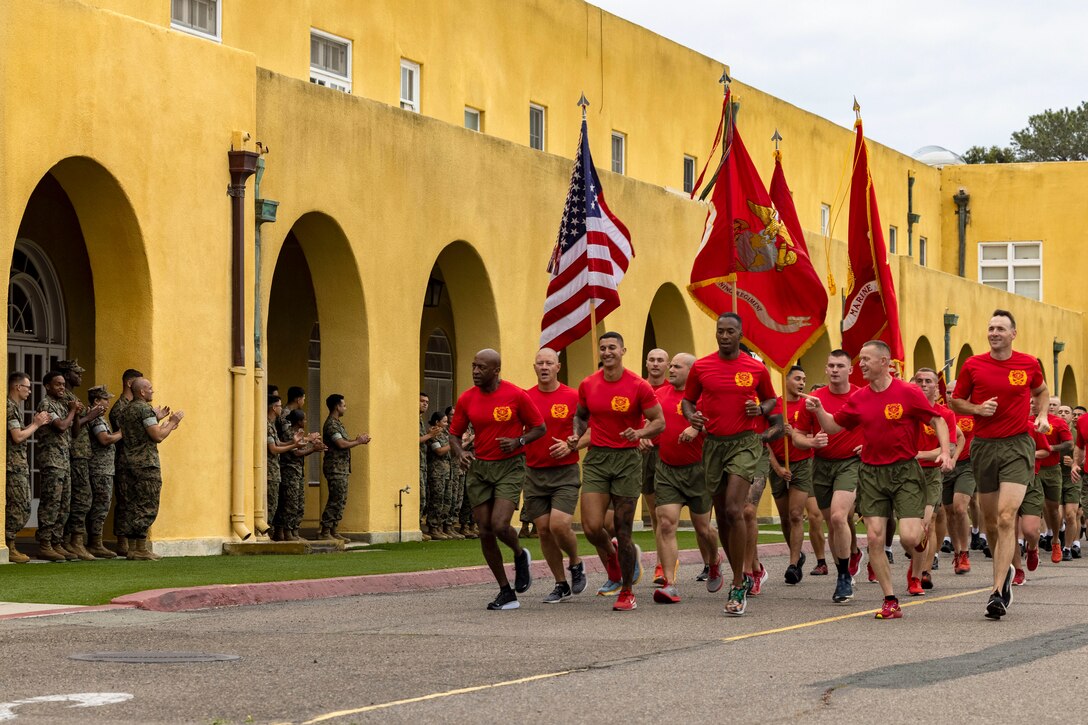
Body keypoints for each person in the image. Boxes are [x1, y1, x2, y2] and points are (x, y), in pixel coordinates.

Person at [806, 340, 952, 619]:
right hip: (871, 473)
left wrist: (945, 452)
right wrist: (818, 410)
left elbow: (938, 421)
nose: (861, 364)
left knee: (910, 537)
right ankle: (889, 599)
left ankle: (920, 545)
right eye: (860, 359)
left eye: (866, 359)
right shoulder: (859, 398)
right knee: (874, 537)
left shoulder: (908, 392)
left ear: (884, 362)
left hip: (905, 471)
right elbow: (834, 426)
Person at [950, 310, 1049, 620]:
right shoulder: (973, 365)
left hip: (1018, 445)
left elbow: (1041, 390)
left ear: (1013, 334)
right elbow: (955, 401)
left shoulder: (1028, 363)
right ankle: (1005, 570)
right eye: (990, 327)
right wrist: (978, 408)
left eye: (1000, 328)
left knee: (1007, 516)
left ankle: (997, 590)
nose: (994, 332)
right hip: (984, 447)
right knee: (992, 522)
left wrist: (1042, 414)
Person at [682, 313, 781, 616]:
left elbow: (772, 402)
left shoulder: (755, 368)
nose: (724, 336)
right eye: (720, 332)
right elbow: (688, 400)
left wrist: (759, 407)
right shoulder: (701, 367)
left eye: (730, 332)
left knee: (734, 509)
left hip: (745, 443)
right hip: (713, 445)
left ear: (740, 335)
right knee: (723, 518)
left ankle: (739, 583)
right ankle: (738, 568)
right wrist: (692, 417)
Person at [571, 332, 664, 612]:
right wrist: (576, 435)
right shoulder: (589, 384)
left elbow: (658, 422)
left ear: (623, 350)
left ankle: (627, 590)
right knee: (590, 527)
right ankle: (612, 558)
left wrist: (639, 432)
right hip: (598, 458)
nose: (607, 351)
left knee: (623, 530)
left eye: (612, 347)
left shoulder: (639, 385)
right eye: (603, 348)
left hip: (627, 459)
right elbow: (580, 415)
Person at [449, 349, 545, 610]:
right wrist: (460, 452)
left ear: (496, 370)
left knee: (500, 524)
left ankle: (518, 554)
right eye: (473, 366)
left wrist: (518, 441)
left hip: (510, 466)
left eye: (481, 367)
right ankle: (506, 591)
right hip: (480, 468)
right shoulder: (467, 398)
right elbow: (454, 433)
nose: (475, 371)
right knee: (485, 531)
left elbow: (539, 428)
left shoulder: (516, 395)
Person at [652, 353, 721, 604]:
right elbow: (651, 421)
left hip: (699, 471)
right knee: (667, 523)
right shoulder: (659, 395)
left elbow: (718, 424)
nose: (670, 369)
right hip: (667, 469)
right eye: (670, 365)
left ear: (691, 372)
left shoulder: (704, 397)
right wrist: (644, 435)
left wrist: (697, 427)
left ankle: (714, 561)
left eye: (676, 366)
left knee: (703, 529)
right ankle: (670, 584)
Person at [523, 348, 585, 603]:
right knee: (544, 531)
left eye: (549, 363)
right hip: (534, 472)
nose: (544, 367)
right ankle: (561, 583)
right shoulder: (524, 397)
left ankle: (575, 561)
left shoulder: (573, 396)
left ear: (559, 366)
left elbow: (589, 431)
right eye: (540, 363)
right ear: (534, 367)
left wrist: (573, 444)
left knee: (558, 524)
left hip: (565, 472)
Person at [809, 350, 866, 601]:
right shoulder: (814, 398)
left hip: (850, 463)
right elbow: (798, 435)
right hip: (821, 464)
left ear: (850, 370)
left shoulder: (861, 395)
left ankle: (843, 577)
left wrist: (869, 444)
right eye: (831, 365)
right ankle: (845, 562)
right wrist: (810, 440)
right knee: (832, 523)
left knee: (838, 515)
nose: (835, 370)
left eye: (840, 366)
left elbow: (878, 424)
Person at [767, 365, 824, 585]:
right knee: (784, 518)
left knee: (795, 514)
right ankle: (797, 553)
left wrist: (797, 433)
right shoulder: (774, 407)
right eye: (797, 378)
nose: (801, 383)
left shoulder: (808, 405)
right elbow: (765, 442)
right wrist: (778, 468)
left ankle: (792, 565)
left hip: (801, 463)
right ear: (786, 379)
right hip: (779, 465)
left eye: (804, 379)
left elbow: (816, 433)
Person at [119, 378, 184, 560]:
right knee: (147, 504)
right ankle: (139, 548)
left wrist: (159, 421)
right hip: (145, 465)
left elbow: (140, 430)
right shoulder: (144, 409)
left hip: (128, 463)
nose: (152, 391)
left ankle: (133, 548)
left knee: (132, 504)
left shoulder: (126, 410)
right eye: (149, 388)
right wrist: (172, 422)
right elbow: (157, 436)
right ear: (142, 392)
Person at [911, 368, 962, 592]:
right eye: (919, 380)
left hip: (931, 473)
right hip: (906, 471)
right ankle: (916, 561)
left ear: (936, 387)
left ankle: (924, 571)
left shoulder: (945, 414)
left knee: (928, 522)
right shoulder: (905, 410)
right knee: (910, 527)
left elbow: (950, 446)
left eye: (928, 381)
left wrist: (921, 455)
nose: (923, 384)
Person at [34, 370, 81, 561]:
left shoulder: (62, 406)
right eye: (57, 384)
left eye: (63, 384)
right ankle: (45, 544)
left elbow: (75, 432)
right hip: (51, 461)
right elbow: (60, 426)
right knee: (51, 502)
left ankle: (57, 542)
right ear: (47, 386)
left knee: (64, 504)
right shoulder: (46, 404)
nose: (62, 387)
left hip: (63, 460)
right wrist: (71, 411)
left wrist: (76, 413)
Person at [58, 360, 101, 560]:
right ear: (67, 375)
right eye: (77, 373)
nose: (80, 377)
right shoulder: (65, 398)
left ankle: (72, 540)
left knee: (78, 498)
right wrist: (90, 416)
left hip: (82, 454)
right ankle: (73, 540)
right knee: (82, 497)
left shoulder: (72, 396)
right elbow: (73, 429)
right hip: (75, 453)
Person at [5, 372, 50, 563]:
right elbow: (17, 437)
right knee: (21, 506)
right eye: (27, 387)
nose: (30, 391)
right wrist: (36, 424)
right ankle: (9, 545)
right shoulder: (10, 407)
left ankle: (9, 544)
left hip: (17, 464)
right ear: (17, 387)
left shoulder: (14, 407)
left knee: (21, 505)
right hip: (13, 466)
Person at [320, 393, 371, 541]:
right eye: (344, 405)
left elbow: (344, 441)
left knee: (341, 499)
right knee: (335, 499)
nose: (345, 408)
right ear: (337, 406)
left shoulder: (338, 424)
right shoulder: (331, 424)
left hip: (341, 468)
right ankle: (325, 531)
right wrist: (359, 441)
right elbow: (341, 444)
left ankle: (334, 529)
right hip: (335, 468)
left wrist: (356, 440)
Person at [641, 347, 669, 584]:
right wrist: (639, 436)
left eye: (660, 360)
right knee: (653, 513)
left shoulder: (672, 390)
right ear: (646, 363)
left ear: (667, 365)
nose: (656, 363)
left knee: (662, 512)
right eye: (652, 359)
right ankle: (662, 559)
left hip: (667, 453)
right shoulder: (639, 388)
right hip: (643, 454)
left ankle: (662, 564)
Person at [942, 385, 977, 575]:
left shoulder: (973, 413)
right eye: (948, 392)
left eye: (955, 392)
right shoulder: (942, 414)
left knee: (960, 507)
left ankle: (965, 551)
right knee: (948, 512)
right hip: (945, 467)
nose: (951, 396)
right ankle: (956, 551)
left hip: (967, 466)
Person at [86, 385, 123, 558]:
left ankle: (95, 542)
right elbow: (105, 439)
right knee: (100, 506)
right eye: (105, 399)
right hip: (99, 469)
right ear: (96, 401)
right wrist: (122, 433)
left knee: (102, 505)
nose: (108, 403)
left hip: (104, 468)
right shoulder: (95, 419)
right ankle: (95, 543)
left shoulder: (101, 418)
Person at [109, 368, 143, 556]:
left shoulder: (136, 406)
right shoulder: (121, 407)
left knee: (136, 501)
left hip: (137, 460)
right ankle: (122, 541)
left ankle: (133, 541)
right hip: (124, 459)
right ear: (130, 383)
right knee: (125, 501)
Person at [280, 408, 326, 541]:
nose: (306, 421)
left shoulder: (299, 434)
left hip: (298, 472)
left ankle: (295, 531)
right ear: (299, 421)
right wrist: (313, 449)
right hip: (290, 472)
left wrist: (314, 444)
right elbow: (296, 453)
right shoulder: (290, 434)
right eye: (304, 419)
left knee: (299, 503)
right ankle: (288, 532)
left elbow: (302, 448)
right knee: (291, 503)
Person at [1038, 397, 1073, 562]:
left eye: (1054, 405)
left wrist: (1052, 448)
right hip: (1032, 469)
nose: (1050, 407)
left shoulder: (1058, 423)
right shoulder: (1029, 420)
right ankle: (1027, 544)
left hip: (1052, 470)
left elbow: (1069, 444)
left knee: (1052, 509)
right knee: (1031, 508)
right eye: (1048, 404)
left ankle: (1055, 540)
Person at [267, 394, 307, 541]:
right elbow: (273, 449)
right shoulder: (267, 425)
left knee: (278, 503)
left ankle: (278, 534)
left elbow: (279, 443)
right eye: (278, 406)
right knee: (276, 505)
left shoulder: (272, 426)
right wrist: (295, 445)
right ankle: (271, 534)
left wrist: (293, 442)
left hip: (276, 470)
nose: (281, 409)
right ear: (273, 407)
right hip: (274, 471)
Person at [427, 410, 462, 540]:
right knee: (437, 500)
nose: (447, 424)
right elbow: (439, 451)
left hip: (448, 472)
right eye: (445, 421)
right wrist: (453, 444)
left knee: (447, 500)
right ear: (437, 422)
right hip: (437, 471)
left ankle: (443, 527)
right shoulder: (434, 434)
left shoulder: (446, 434)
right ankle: (433, 527)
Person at [418, 392, 439, 540]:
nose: (425, 404)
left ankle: (419, 526)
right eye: (422, 401)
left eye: (427, 402)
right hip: (417, 465)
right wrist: (430, 436)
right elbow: (414, 439)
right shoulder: (413, 419)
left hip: (422, 463)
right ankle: (417, 527)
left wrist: (428, 434)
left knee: (424, 497)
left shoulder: (420, 420)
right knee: (421, 497)